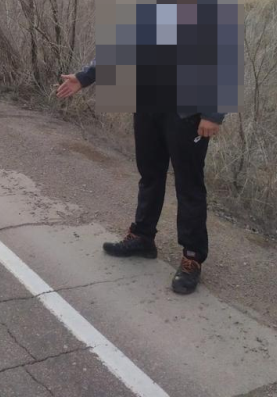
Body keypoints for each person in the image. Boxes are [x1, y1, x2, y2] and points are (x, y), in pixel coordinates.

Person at [57, 58, 224, 295]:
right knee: (149, 175)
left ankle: (192, 256)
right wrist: (85, 77)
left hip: (188, 111)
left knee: (189, 186)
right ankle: (143, 237)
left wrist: (213, 112)